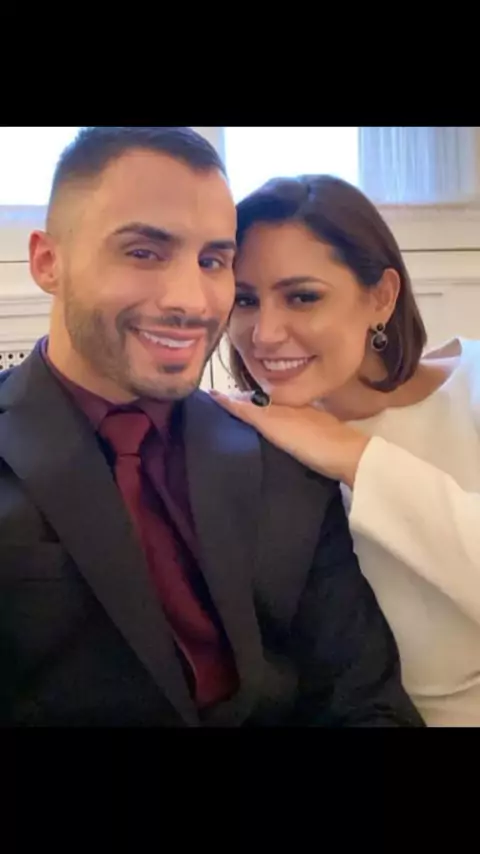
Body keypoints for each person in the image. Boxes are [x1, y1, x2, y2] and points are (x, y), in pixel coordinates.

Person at [0, 128, 421, 728]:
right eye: (144, 252)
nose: (192, 301)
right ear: (48, 262)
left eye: (213, 261)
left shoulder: (279, 455)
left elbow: (366, 701)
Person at [212, 172, 480, 727]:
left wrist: (355, 458)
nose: (264, 333)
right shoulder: (239, 436)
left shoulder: (472, 387)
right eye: (245, 300)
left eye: (302, 297)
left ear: (381, 297)